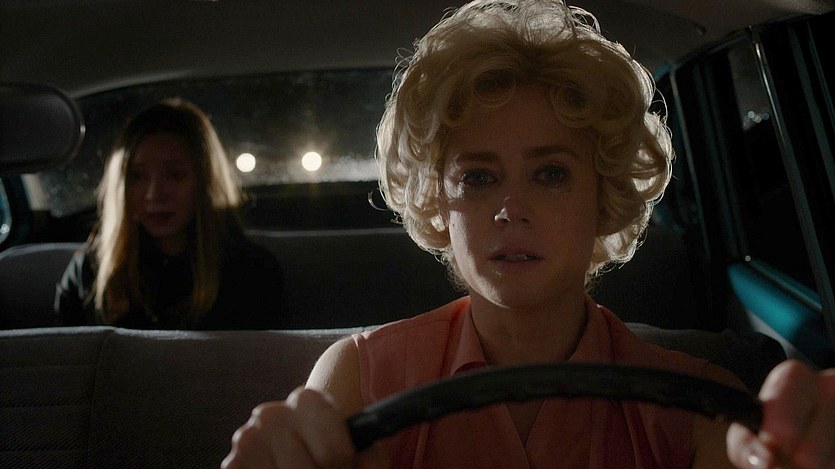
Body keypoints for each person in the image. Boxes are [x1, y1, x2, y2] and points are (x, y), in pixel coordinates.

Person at [222, 1, 835, 467]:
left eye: (550, 174)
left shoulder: (701, 406)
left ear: (604, 196)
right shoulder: (360, 376)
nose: (510, 210)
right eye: (478, 177)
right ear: (438, 202)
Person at [54, 98, 285, 330]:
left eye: (175, 175)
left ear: (204, 182)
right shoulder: (90, 269)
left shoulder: (251, 271)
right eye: (138, 176)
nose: (154, 194)